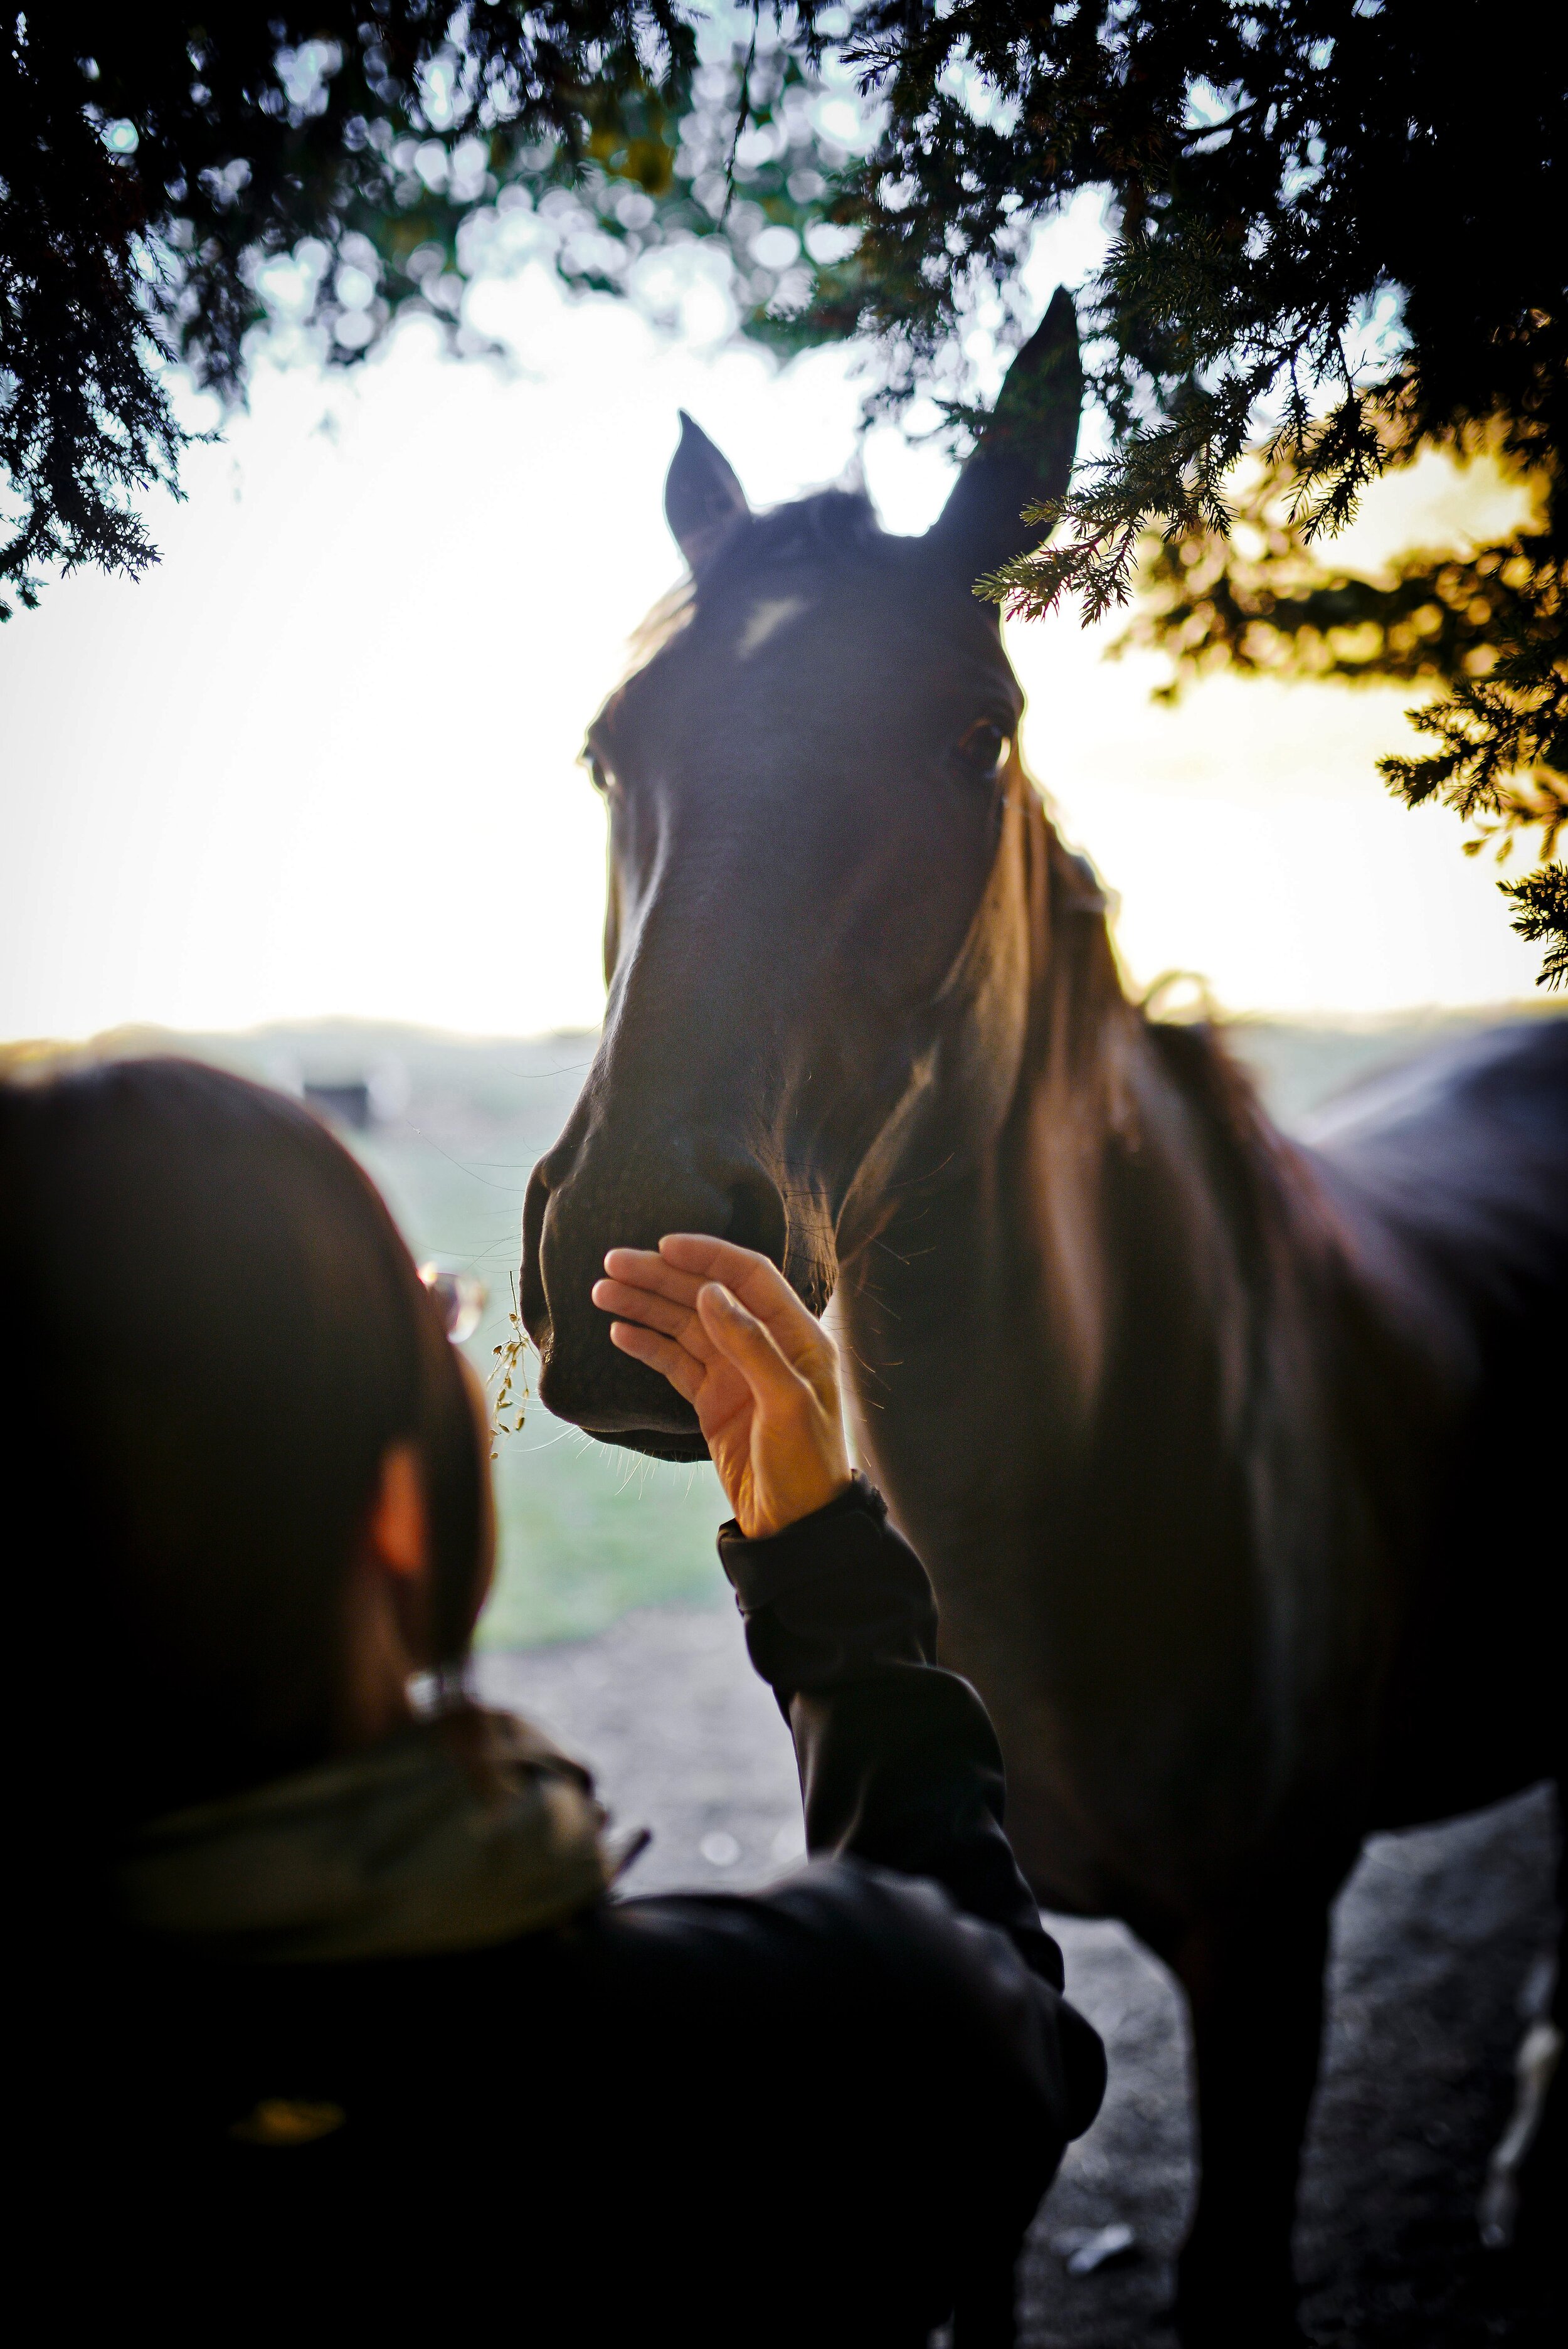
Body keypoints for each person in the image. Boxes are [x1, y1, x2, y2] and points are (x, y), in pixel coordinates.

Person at [4, 1056, 1103, 2346]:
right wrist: (832, 1591)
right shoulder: (800, 2039)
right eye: (434, 1319)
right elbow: (1020, 2041)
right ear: (401, 1510)